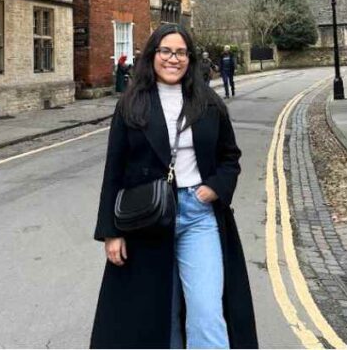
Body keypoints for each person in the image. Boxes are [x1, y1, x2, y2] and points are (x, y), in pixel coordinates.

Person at [90, 24, 257, 349]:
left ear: (190, 59)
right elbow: (114, 170)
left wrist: (214, 188)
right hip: (148, 219)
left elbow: (229, 156)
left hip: (198, 216)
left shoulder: (208, 102)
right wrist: (111, 232)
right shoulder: (130, 105)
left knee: (207, 312)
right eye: (166, 51)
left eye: (181, 52)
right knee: (159, 315)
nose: (173, 58)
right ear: (152, 56)